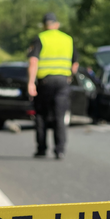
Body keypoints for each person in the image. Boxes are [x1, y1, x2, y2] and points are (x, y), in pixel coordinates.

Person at [27, 13, 79, 159]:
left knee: (41, 116)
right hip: (63, 82)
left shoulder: (40, 38)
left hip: (45, 82)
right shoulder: (68, 39)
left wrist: (31, 83)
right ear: (56, 24)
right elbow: (75, 64)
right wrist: (69, 77)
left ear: (44, 25)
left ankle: (42, 149)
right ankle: (60, 149)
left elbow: (33, 62)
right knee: (59, 116)